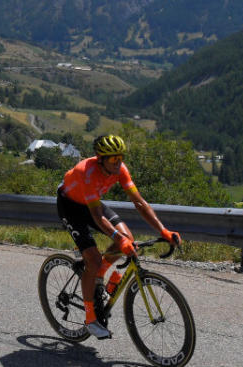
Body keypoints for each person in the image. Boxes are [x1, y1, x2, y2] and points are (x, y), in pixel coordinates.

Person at [57, 134, 181, 339]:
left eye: (120, 158)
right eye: (113, 159)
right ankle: (90, 319)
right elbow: (97, 217)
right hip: (70, 207)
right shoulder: (87, 172)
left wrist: (163, 230)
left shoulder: (120, 170)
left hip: (91, 202)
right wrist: (119, 239)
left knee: (127, 238)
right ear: (100, 159)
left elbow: (139, 202)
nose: (118, 163)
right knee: (94, 258)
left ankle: (99, 276)